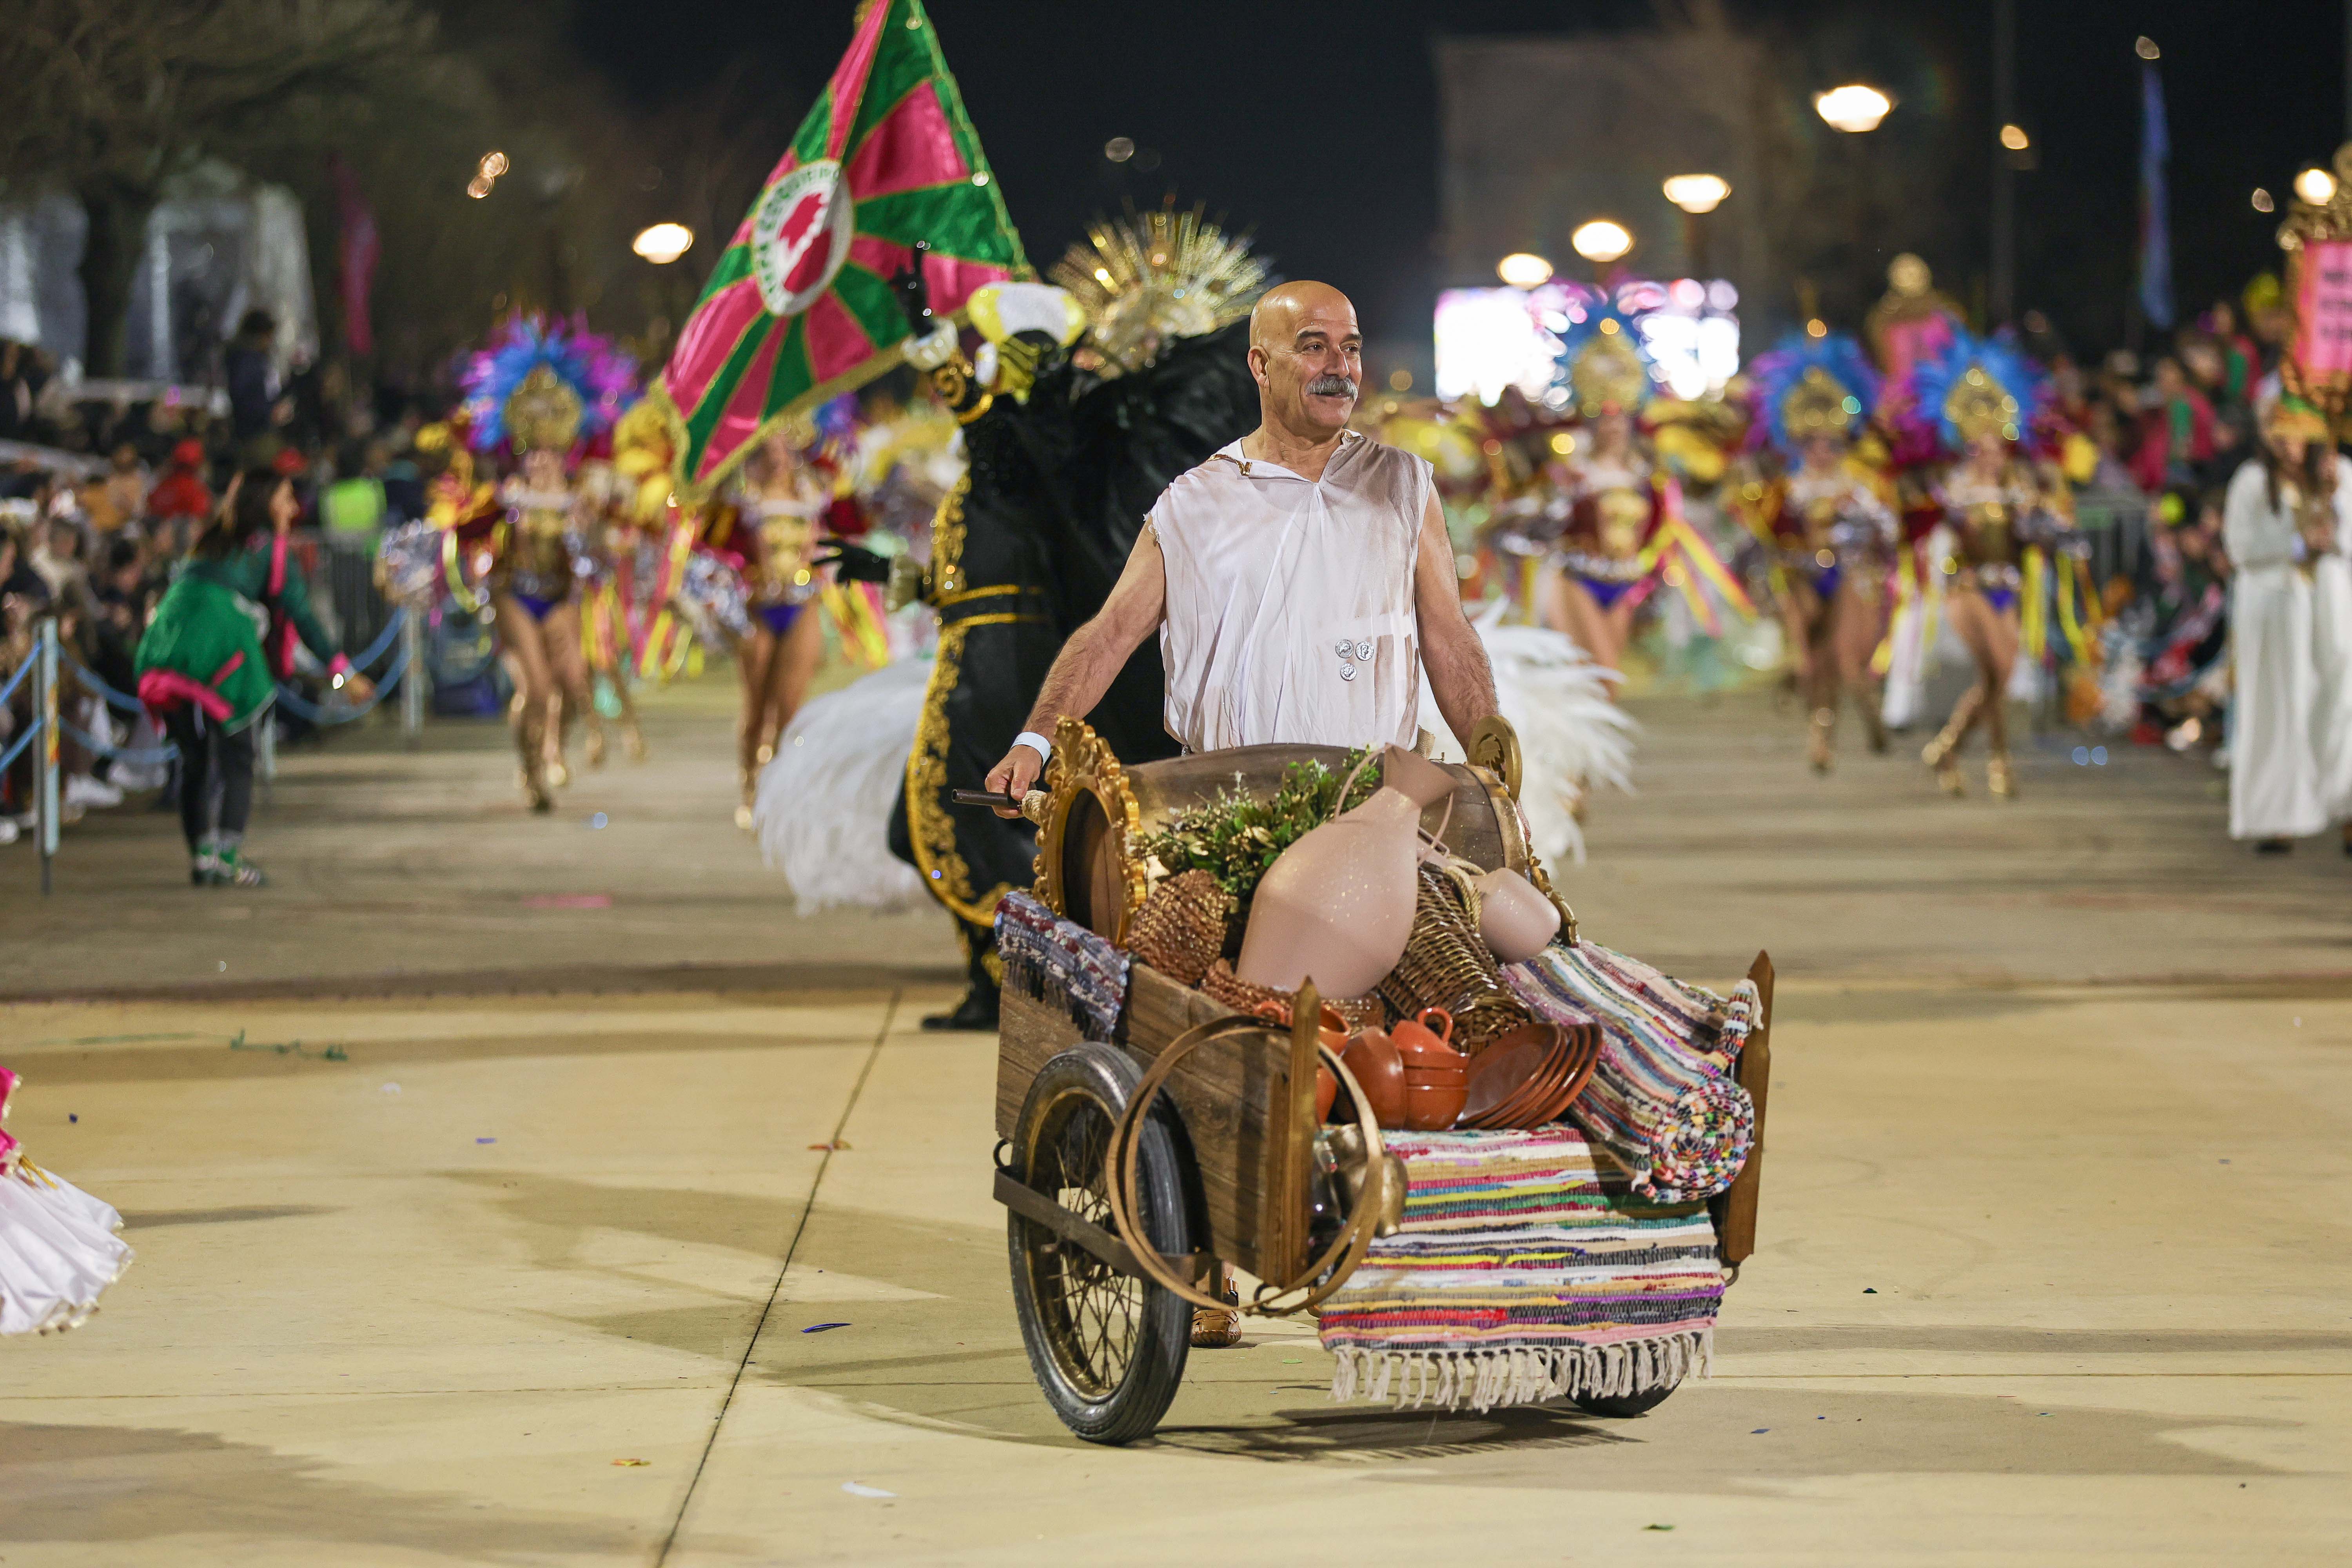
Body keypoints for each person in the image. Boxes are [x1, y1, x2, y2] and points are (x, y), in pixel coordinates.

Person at [984, 279, 1500, 804]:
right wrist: (1034, 742)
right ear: (1260, 366)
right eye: (1314, 346)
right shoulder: (1193, 502)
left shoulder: (1404, 485)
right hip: (1227, 813)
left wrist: (1496, 773)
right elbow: (1110, 633)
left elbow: (1449, 639)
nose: (1340, 368)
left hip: (1372, 807)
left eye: (1351, 348)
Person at [134, 470, 372, 885]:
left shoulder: (210, 539)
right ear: (265, 503)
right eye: (286, 498)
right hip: (222, 643)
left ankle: (203, 859)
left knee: (194, 759)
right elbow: (301, 614)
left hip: (167, 642)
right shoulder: (272, 548)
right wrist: (343, 672)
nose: (294, 509)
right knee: (239, 757)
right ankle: (228, 859)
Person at [454, 318, 635, 811]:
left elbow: (609, 547)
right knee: (535, 689)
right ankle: (531, 768)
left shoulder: (580, 498)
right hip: (516, 596)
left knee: (574, 686)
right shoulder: (509, 496)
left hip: (558, 597)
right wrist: (481, 510)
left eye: (551, 454)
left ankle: (552, 748)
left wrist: (597, 523)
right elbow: (461, 528)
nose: (542, 462)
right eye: (533, 454)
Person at [1912, 333, 2076, 799]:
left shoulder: (2019, 487)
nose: (1989, 454)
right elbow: (1931, 528)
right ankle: (1999, 761)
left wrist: (2046, 510)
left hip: (2008, 588)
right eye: (1979, 446)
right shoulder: (1955, 487)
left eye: (1996, 446)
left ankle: (1948, 748)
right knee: (1994, 669)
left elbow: (2045, 530)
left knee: (1998, 678)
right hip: (1967, 587)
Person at [1747, 331, 1896, 771]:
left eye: (1831, 442)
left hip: (1849, 576)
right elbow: (1764, 539)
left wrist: (1856, 516)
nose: (1821, 451)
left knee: (1846, 663)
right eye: (1811, 441)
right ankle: (1820, 737)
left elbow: (1890, 532)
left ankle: (1867, 708)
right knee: (1813, 664)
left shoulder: (1862, 486)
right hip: (1802, 580)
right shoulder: (1787, 489)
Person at [2224, 394, 2339, 852]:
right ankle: (2273, 817)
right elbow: (2241, 547)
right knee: (2272, 707)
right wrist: (2296, 545)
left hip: (2315, 606)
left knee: (2319, 702)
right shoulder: (2252, 482)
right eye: (2279, 433)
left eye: (2296, 433)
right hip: (2268, 606)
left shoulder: (2327, 479)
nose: (2289, 443)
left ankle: (2322, 807)